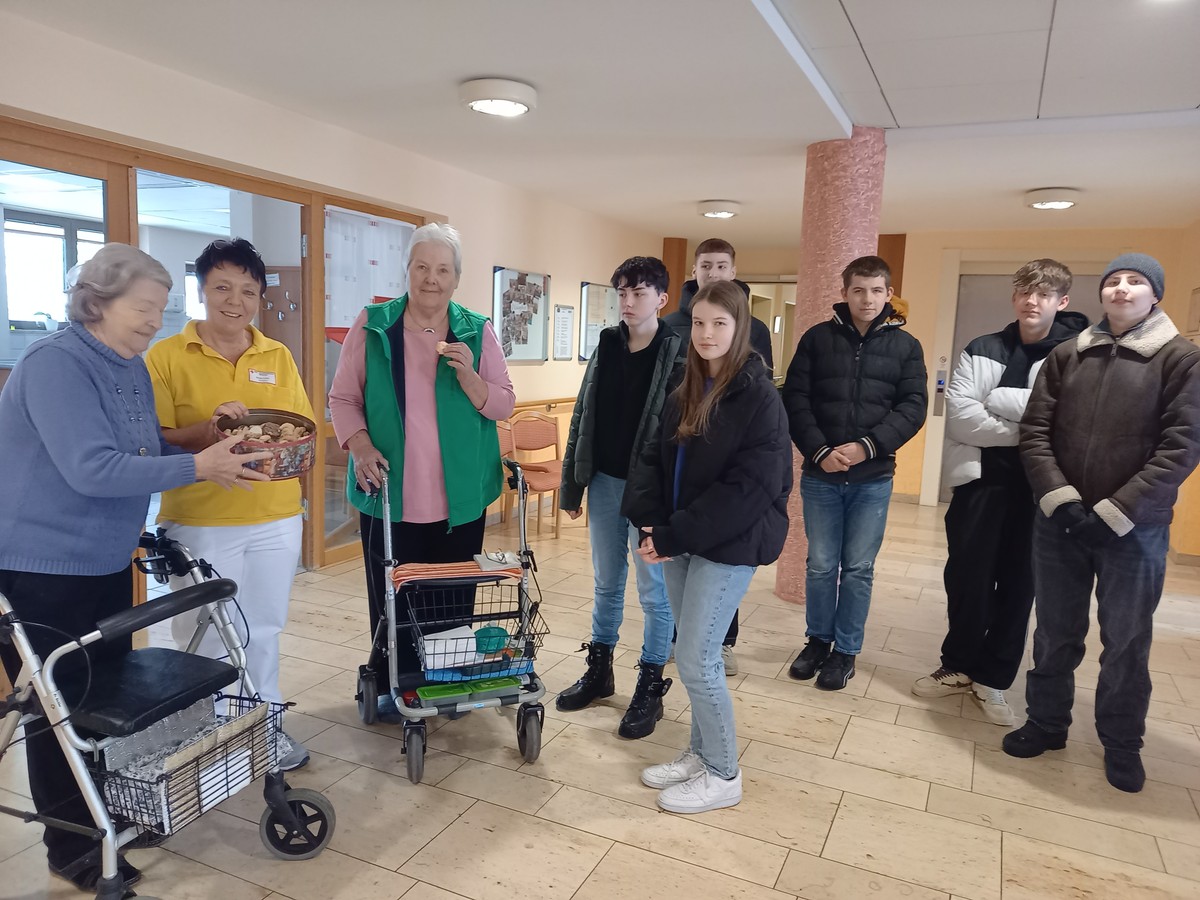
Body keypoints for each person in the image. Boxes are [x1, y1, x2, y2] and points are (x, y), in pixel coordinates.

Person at [0, 244, 270, 894]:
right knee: (59, 710)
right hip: (40, 567)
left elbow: (144, 447)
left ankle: (111, 809)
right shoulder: (55, 364)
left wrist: (208, 440)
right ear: (97, 301)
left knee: (104, 701)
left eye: (160, 307)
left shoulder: (129, 366)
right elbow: (91, 467)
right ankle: (73, 845)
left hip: (103, 560)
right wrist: (198, 468)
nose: (154, 319)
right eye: (142, 307)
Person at [1004, 253, 1200, 793]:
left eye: (1135, 281)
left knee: (1126, 639)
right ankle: (1047, 723)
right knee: (1054, 630)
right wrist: (1061, 500)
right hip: (1060, 522)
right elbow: (1034, 432)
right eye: (1114, 280)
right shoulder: (1069, 354)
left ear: (1155, 294)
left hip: (1136, 528)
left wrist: (1117, 511)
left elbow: (1182, 446)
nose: (1122, 288)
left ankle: (1121, 742)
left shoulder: (1181, 359)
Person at [328, 223, 515, 709]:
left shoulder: (477, 330)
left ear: (457, 278)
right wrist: (360, 445)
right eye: (422, 267)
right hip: (389, 494)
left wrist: (471, 377)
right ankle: (395, 681)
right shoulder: (373, 325)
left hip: (461, 498)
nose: (432, 278)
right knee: (391, 598)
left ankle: (446, 681)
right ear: (407, 270)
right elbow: (343, 398)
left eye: (443, 270)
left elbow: (503, 404)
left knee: (452, 598)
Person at [147, 238, 315, 770]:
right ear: (201, 290)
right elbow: (152, 440)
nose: (234, 301)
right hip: (200, 519)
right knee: (205, 633)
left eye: (247, 290)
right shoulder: (166, 356)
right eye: (222, 287)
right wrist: (209, 428)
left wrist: (291, 452)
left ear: (260, 298)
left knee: (263, 628)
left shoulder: (276, 355)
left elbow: (299, 425)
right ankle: (211, 740)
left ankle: (266, 729)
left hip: (276, 517)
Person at [624, 280, 791, 813]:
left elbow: (749, 489)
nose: (706, 333)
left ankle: (723, 774)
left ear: (740, 328)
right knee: (693, 653)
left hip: (728, 543)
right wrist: (653, 524)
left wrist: (674, 534)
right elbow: (655, 457)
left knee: (697, 660)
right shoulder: (686, 385)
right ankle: (700, 753)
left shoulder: (760, 397)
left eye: (720, 323)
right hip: (682, 536)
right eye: (698, 322)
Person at [911, 260, 1088, 725]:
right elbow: (961, 417)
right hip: (979, 482)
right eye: (1025, 292)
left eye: (1044, 294)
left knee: (1018, 584)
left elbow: (1070, 418)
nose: (1033, 301)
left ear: (1062, 301)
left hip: (1039, 489)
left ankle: (992, 679)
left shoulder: (1076, 353)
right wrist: (1034, 427)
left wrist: (998, 402)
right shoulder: (983, 347)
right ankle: (958, 664)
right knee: (966, 578)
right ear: (1014, 297)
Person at [783, 255, 928, 691]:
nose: (868, 299)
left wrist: (868, 446)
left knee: (859, 568)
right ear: (844, 292)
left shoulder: (907, 346)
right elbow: (796, 399)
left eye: (876, 290)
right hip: (821, 474)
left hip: (873, 478)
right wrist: (820, 450)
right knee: (821, 565)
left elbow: (912, 408)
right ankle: (817, 641)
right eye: (859, 290)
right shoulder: (817, 339)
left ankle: (845, 651)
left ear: (889, 294)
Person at [557, 257, 681, 739]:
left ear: (661, 299)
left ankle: (650, 686)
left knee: (654, 591)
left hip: (650, 489)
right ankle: (600, 671)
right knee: (607, 581)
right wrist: (573, 483)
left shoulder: (676, 350)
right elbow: (583, 414)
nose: (628, 302)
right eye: (622, 293)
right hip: (606, 481)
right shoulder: (607, 344)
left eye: (639, 293)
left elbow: (679, 432)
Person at [663, 237, 773, 676]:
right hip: (681, 504)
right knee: (690, 641)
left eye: (721, 265)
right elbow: (663, 438)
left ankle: (721, 642)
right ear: (694, 271)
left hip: (725, 518)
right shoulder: (674, 334)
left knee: (700, 654)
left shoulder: (757, 381)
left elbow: (752, 474)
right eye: (705, 265)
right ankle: (683, 642)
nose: (707, 334)